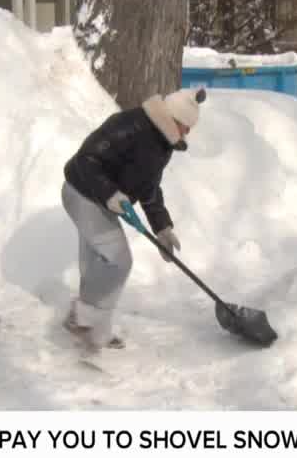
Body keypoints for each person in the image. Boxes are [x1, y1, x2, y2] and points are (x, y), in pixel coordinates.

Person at [60, 86, 206, 351]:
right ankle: (81, 318)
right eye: (186, 127)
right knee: (118, 261)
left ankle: (96, 331)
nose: (187, 134)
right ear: (174, 119)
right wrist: (111, 193)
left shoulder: (162, 142)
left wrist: (162, 227)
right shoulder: (129, 126)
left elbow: (149, 188)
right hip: (82, 193)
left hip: (100, 199)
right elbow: (85, 160)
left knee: (97, 263)